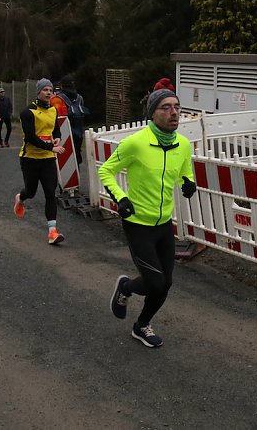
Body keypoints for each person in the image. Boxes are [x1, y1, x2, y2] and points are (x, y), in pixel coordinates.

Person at [99, 88, 195, 348]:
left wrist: (188, 182)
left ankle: (142, 325)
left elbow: (185, 170)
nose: (174, 112)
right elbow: (106, 171)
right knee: (156, 281)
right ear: (152, 113)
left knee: (166, 284)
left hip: (164, 224)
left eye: (177, 106)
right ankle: (126, 287)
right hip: (138, 224)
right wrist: (121, 198)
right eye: (166, 107)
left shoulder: (182, 144)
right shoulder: (136, 143)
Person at [13, 78, 66, 245]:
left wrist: (57, 138)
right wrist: (51, 147)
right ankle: (20, 198)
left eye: (51, 90)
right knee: (31, 191)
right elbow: (31, 138)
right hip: (30, 158)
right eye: (45, 90)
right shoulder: (27, 112)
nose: (49, 93)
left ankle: (52, 232)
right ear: (38, 92)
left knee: (50, 192)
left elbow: (56, 129)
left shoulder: (53, 110)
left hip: (47, 160)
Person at [55, 76, 87, 165]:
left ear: (62, 85)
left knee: (63, 161)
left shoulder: (58, 98)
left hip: (63, 134)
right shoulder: (79, 98)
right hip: (78, 134)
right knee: (76, 160)